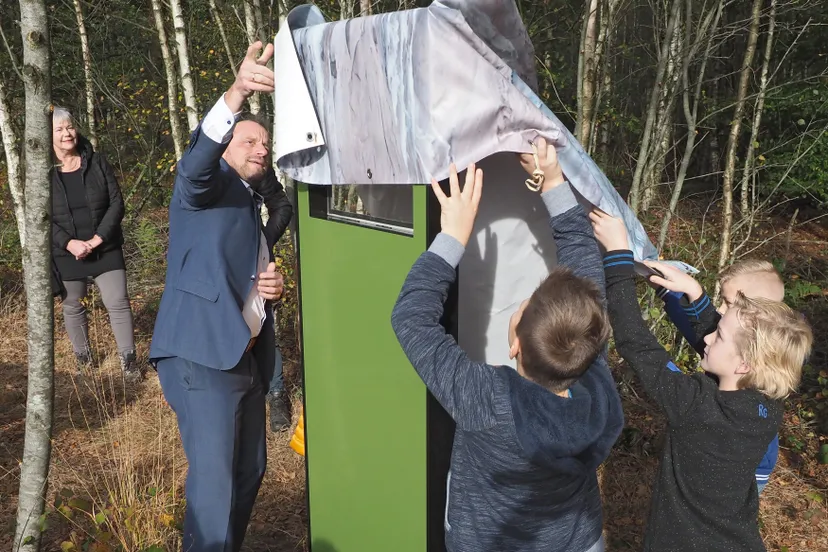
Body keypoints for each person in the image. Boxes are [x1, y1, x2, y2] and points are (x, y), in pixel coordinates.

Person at [391, 138, 623, 552]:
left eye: (521, 308)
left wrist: (453, 237)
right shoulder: (595, 375)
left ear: (514, 345)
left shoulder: (489, 401)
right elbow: (586, 270)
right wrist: (553, 182)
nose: (519, 304)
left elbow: (410, 318)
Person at [590, 210, 812, 552]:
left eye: (717, 336)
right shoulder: (769, 403)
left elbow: (635, 342)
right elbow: (731, 344)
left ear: (744, 364)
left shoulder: (695, 405)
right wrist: (694, 293)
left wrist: (618, 258)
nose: (707, 339)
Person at [149, 42, 284, 552]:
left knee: (249, 471)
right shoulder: (201, 187)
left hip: (244, 356)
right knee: (215, 486)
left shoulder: (249, 202)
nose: (261, 148)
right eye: (250, 139)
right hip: (200, 355)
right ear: (226, 145)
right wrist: (237, 92)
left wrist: (269, 291)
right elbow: (195, 163)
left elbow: (240, 275)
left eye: (265, 142)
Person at [656, 259, 785, 493]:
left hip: (747, 466)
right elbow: (698, 326)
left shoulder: (757, 366)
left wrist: (663, 372)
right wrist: (665, 287)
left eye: (728, 303)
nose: (721, 311)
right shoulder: (741, 343)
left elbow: (695, 395)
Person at [50, 108, 140, 382]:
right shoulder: (43, 173)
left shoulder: (97, 162)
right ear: (49, 136)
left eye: (70, 127)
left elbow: (117, 203)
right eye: (60, 130)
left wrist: (97, 239)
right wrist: (69, 243)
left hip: (105, 245)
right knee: (73, 305)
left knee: (118, 301)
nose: (67, 133)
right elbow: (40, 218)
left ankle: (129, 362)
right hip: (67, 252)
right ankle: (84, 361)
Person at [250, 164, 294, 430]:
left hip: (258, 263)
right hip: (215, 267)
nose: (260, 149)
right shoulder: (206, 167)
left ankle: (276, 395)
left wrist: (262, 242)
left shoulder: (256, 165)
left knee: (266, 326)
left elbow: (282, 207)